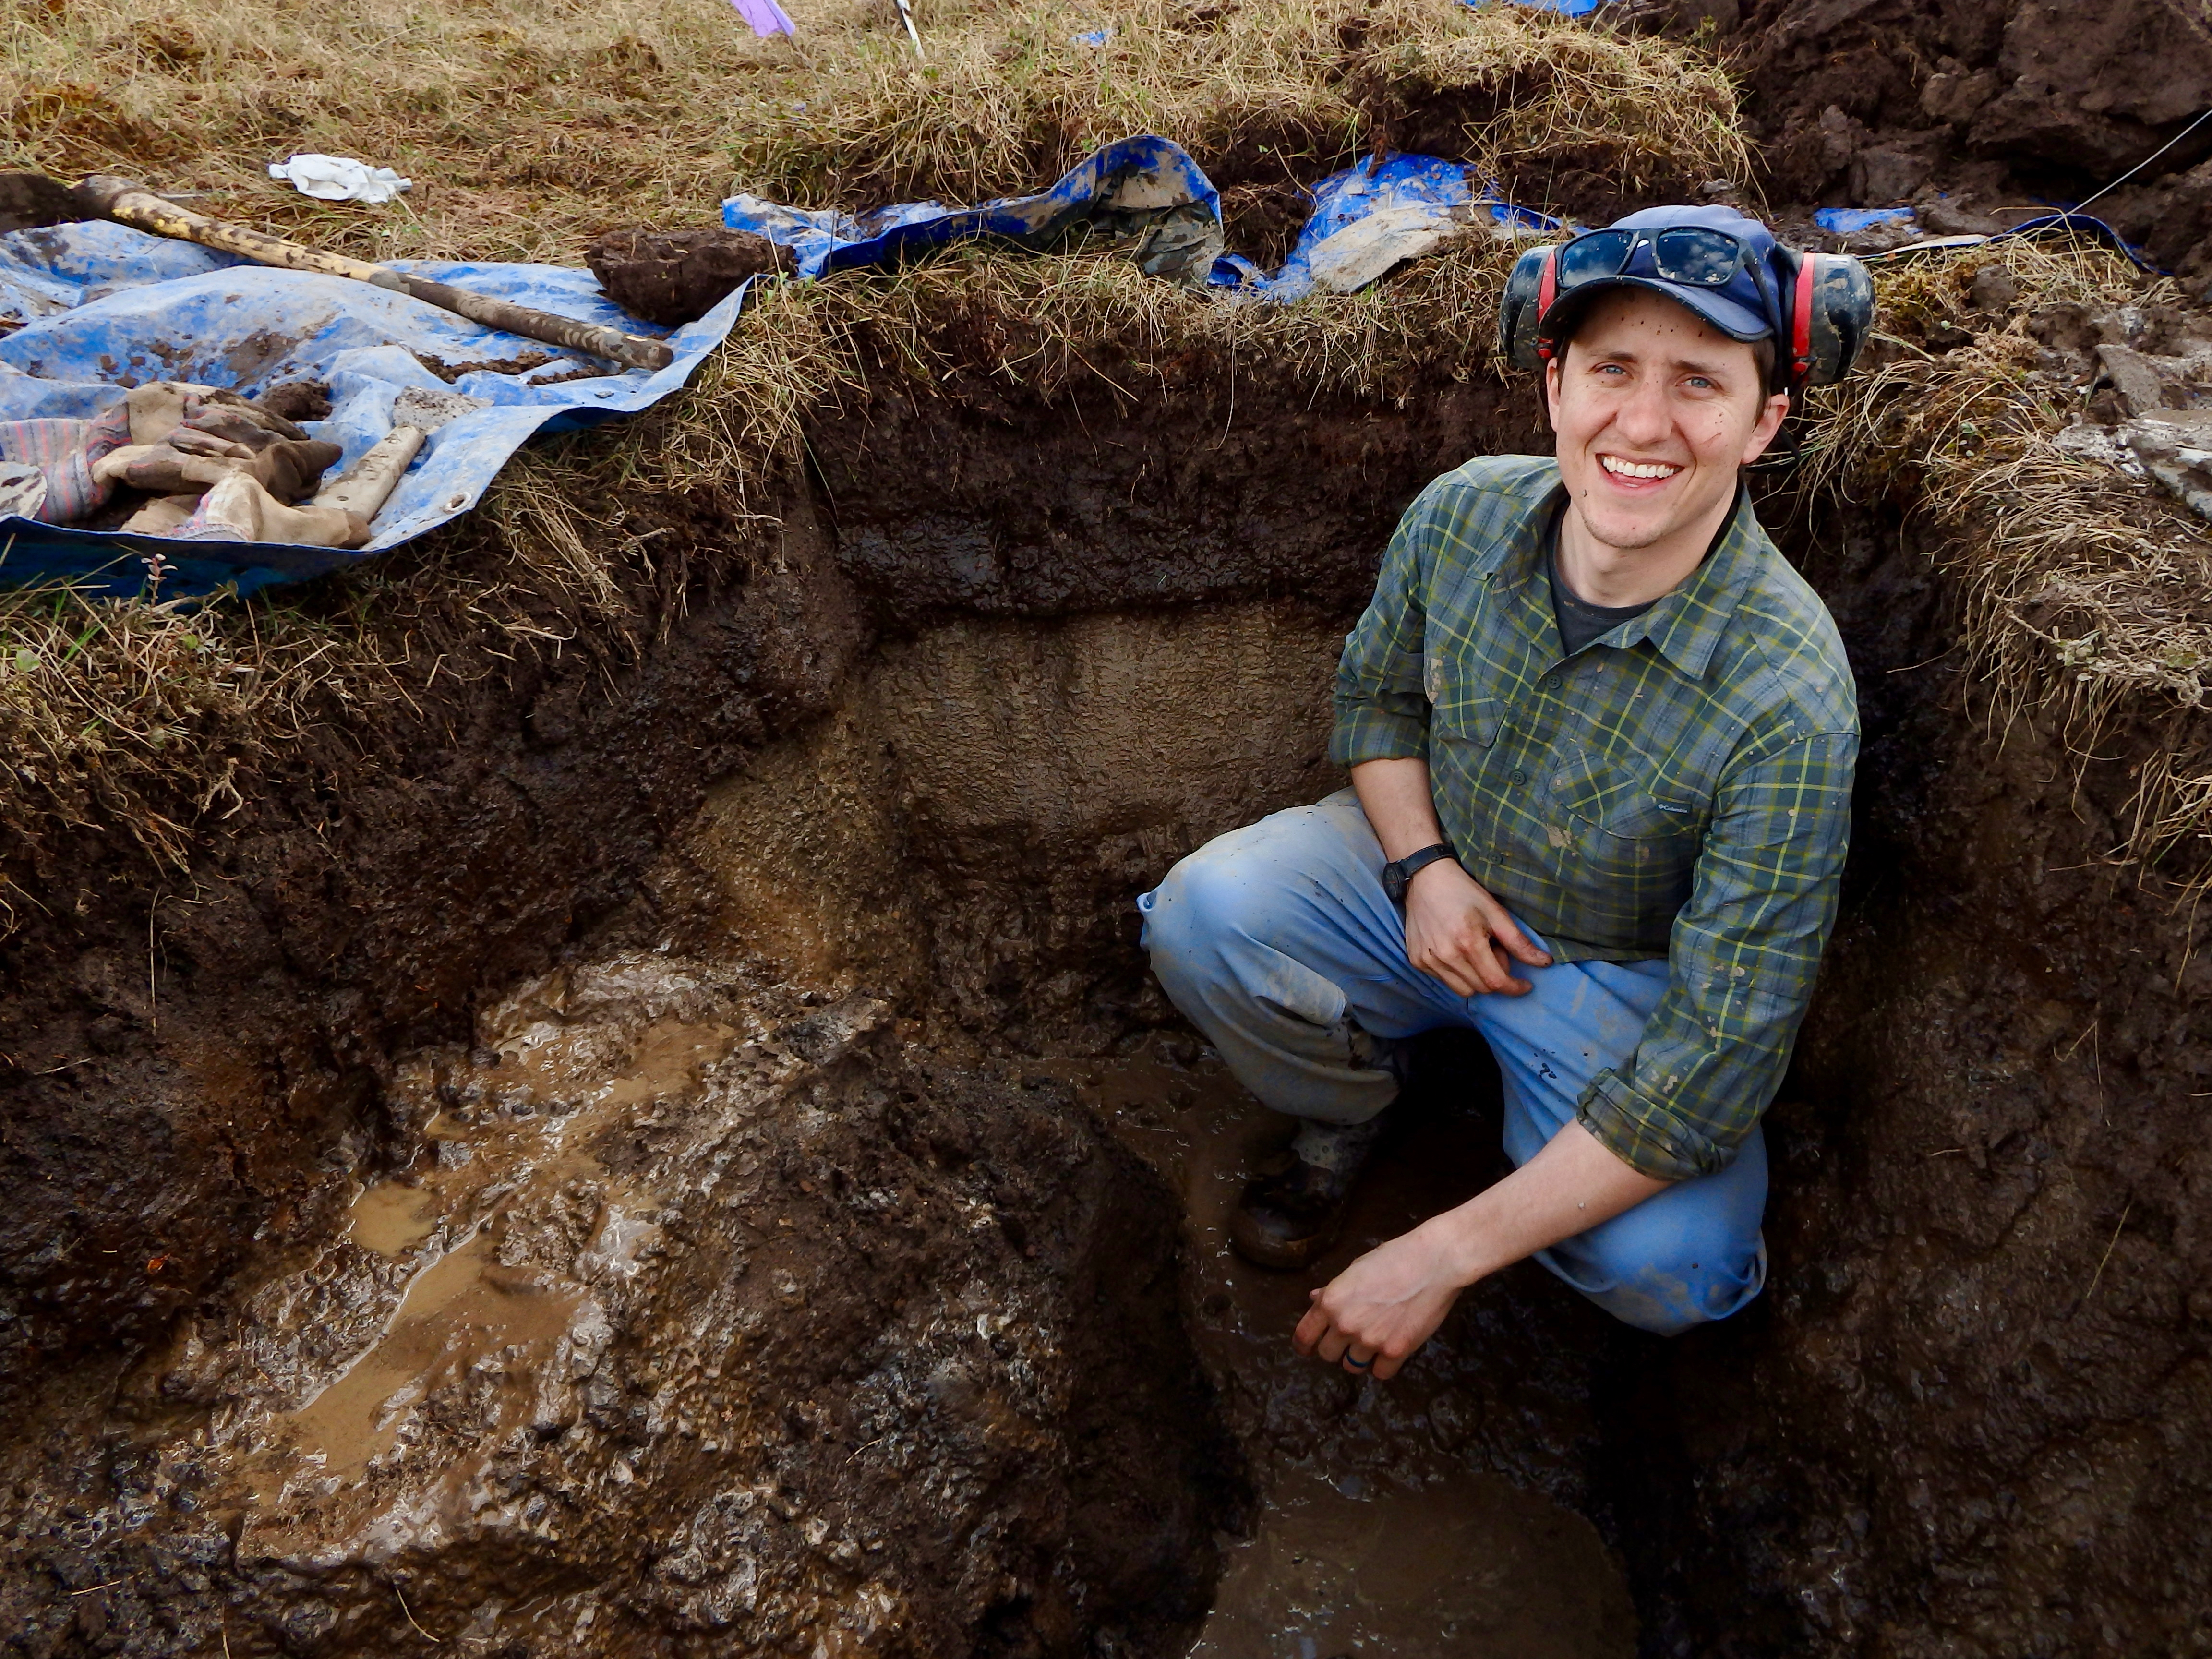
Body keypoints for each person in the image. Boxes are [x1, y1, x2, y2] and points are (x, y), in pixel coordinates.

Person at [1138, 204, 1868, 1374]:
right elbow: (1376, 705)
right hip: (1426, 885)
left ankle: (1528, 1174)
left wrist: (1441, 1252)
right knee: (1204, 915)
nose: (1642, 422)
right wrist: (1422, 869)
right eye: (1612, 370)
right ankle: (1352, 1107)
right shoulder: (1464, 512)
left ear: (1765, 419)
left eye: (1698, 382)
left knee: (1677, 1271)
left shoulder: (1789, 699)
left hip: (1607, 975)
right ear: (1555, 385)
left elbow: (1717, 1064)